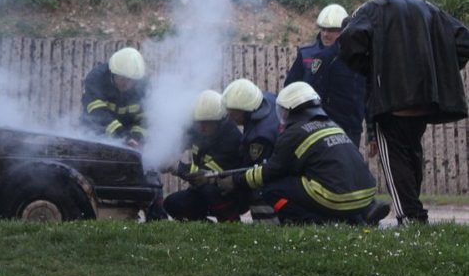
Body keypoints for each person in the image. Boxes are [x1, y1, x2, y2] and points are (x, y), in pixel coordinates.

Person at [339, 0, 469, 224]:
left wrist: (370, 66)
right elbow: (463, 39)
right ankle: (416, 214)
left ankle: (409, 217)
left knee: (395, 161)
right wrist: (442, 69)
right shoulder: (428, 7)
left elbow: (349, 39)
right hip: (424, 101)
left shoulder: (372, 9)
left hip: (391, 102)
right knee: (412, 156)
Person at [217, 82, 390, 225]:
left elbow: (271, 171)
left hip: (336, 196)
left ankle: (318, 222)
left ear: (290, 110)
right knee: (305, 185)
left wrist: (235, 180)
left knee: (272, 189)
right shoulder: (331, 124)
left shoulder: (294, 133)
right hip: (366, 192)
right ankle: (356, 219)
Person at [284, 4, 366, 146]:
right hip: (312, 126)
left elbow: (361, 92)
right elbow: (290, 87)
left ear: (343, 31)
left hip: (348, 126)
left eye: (332, 30)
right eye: (323, 29)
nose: (326, 34)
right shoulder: (306, 54)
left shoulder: (355, 57)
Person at [163, 90, 248, 222]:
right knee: (172, 203)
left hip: (230, 193)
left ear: (221, 122)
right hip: (202, 189)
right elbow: (179, 143)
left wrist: (176, 167)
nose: (201, 128)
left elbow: (205, 175)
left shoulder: (232, 139)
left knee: (209, 189)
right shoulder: (197, 128)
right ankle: (204, 225)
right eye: (199, 123)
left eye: (207, 123)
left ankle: (230, 223)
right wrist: (164, 155)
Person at [221, 78, 281, 222]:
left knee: (257, 191)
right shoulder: (266, 100)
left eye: (234, 114)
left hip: (276, 178)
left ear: (248, 112)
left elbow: (257, 172)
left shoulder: (260, 137)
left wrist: (234, 181)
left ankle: (267, 227)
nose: (229, 118)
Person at [81, 46, 148, 147]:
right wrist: (122, 136)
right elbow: (97, 114)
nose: (127, 84)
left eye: (132, 81)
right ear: (112, 73)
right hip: (94, 135)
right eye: (122, 79)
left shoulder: (144, 88)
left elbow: (145, 120)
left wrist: (136, 137)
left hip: (128, 141)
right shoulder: (97, 79)